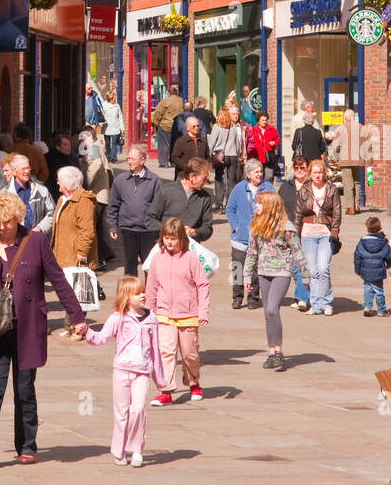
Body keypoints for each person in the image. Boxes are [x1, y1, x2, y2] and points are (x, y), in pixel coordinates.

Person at [0, 191, 87, 466]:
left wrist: (76, 315)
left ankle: (27, 444)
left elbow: (58, 280)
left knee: (24, 390)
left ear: (17, 218)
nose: (3, 226)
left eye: (8, 221)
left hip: (28, 327)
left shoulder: (36, 241)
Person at [82, 274, 165, 466]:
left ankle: (137, 449)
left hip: (142, 372)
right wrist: (86, 332)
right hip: (121, 370)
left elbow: (155, 350)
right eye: (137, 293)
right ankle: (119, 450)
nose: (142, 296)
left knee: (138, 409)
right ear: (126, 297)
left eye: (143, 292)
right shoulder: (117, 317)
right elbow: (102, 337)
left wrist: (160, 379)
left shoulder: (151, 318)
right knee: (121, 412)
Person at [145, 218, 210, 405]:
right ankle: (166, 390)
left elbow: (203, 285)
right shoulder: (157, 258)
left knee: (190, 354)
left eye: (173, 238)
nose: (169, 242)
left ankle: (193, 383)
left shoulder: (190, 258)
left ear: (181, 238)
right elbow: (152, 287)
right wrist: (149, 313)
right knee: (166, 352)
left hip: (188, 315)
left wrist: (203, 312)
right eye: (166, 238)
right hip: (165, 314)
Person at [243, 191, 310, 371]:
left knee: (273, 308)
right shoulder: (256, 227)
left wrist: (305, 275)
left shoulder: (287, 228)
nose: (256, 206)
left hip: (282, 272)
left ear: (270, 207)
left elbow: (298, 252)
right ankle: (272, 351)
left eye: (260, 203)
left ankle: (279, 351)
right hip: (263, 272)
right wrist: (246, 275)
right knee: (267, 312)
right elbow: (251, 252)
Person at [294, 159, 341, 316]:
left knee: (323, 269)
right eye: (314, 172)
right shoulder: (304, 190)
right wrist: (295, 235)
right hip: (308, 233)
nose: (317, 175)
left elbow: (337, 213)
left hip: (325, 233)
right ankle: (315, 305)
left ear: (324, 173)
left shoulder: (332, 189)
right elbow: (298, 214)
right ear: (310, 174)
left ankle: (327, 303)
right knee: (313, 271)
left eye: (320, 172)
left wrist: (335, 232)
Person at [226, 160, 274, 309]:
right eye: (256, 172)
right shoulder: (239, 189)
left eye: (260, 171)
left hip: (261, 237)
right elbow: (230, 209)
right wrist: (235, 226)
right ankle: (237, 297)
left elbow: (275, 209)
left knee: (256, 270)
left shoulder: (269, 188)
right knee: (238, 268)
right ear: (248, 174)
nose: (259, 174)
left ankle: (253, 298)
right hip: (240, 238)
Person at [106, 145, 160, 275]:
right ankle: (131, 293)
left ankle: (150, 293)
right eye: (128, 158)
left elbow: (160, 207)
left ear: (142, 160)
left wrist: (160, 230)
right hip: (128, 229)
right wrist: (113, 226)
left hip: (148, 230)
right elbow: (113, 205)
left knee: (150, 266)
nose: (129, 161)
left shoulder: (154, 180)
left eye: (132, 159)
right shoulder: (120, 180)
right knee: (129, 266)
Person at [145, 160, 214, 243]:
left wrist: (194, 232)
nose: (205, 182)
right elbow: (150, 220)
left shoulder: (205, 197)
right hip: (166, 247)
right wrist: (169, 231)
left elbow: (207, 228)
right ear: (192, 176)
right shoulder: (166, 191)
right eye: (203, 179)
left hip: (190, 249)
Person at [277, 154, 311, 310]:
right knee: (291, 265)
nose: (298, 170)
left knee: (301, 264)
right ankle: (301, 297)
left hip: (308, 230)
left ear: (308, 167)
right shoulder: (286, 186)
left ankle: (302, 297)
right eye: (296, 167)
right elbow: (278, 206)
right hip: (288, 229)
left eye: (302, 167)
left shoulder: (313, 185)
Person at [51, 163, 99, 273]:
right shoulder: (62, 199)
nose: (57, 182)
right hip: (62, 256)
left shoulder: (83, 201)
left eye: (60, 180)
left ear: (67, 183)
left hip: (75, 259)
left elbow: (87, 230)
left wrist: (82, 252)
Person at [80, 129, 115, 269]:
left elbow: (96, 165)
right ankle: (104, 254)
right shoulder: (96, 147)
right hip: (100, 194)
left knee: (93, 229)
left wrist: (85, 183)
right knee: (98, 229)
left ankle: (99, 259)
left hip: (95, 195)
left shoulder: (93, 149)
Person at [354, 215, 391, 316]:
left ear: (367, 228)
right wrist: (389, 265)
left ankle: (367, 307)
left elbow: (357, 257)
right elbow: (389, 256)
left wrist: (357, 270)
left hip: (365, 270)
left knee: (367, 289)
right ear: (380, 228)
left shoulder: (362, 242)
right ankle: (381, 309)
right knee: (379, 290)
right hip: (379, 270)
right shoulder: (383, 242)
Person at [6, 153, 55, 235]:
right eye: (23, 169)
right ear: (14, 172)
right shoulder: (5, 193)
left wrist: (40, 228)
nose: (27, 171)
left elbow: (52, 213)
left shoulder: (41, 190)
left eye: (28, 168)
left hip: (36, 239)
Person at [327, 108, 362, 214]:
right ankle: (356, 204)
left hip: (346, 159)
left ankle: (350, 207)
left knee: (347, 183)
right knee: (356, 182)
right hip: (358, 159)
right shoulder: (361, 128)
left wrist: (337, 151)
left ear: (345, 118)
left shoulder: (341, 128)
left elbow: (336, 146)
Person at [206, 107, 238, 212]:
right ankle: (230, 205)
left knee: (218, 179)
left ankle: (219, 204)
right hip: (232, 155)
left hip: (220, 156)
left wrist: (209, 155)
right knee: (231, 181)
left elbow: (212, 142)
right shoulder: (233, 127)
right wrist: (238, 154)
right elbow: (237, 143)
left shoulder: (216, 127)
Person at [151, 89, 183, 170]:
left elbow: (158, 113)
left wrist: (157, 123)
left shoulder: (165, 101)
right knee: (175, 145)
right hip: (177, 126)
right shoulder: (181, 101)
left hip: (165, 125)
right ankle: (174, 162)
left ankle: (163, 163)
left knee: (163, 145)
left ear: (169, 93)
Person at [245, 112, 281, 182]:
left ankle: (268, 191)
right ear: (258, 121)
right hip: (257, 157)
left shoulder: (272, 129)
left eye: (265, 120)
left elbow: (277, 140)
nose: (264, 122)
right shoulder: (253, 130)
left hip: (269, 158)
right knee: (258, 177)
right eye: (262, 120)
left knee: (269, 177)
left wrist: (274, 143)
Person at [44, 131, 74, 200]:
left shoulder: (68, 159)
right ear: (58, 147)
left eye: (69, 145)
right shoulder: (51, 159)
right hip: (54, 193)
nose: (68, 147)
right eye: (65, 145)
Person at [102, 88, 124, 163]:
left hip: (115, 127)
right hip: (106, 128)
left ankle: (114, 158)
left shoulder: (117, 106)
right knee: (107, 144)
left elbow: (120, 117)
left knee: (114, 143)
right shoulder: (104, 105)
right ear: (111, 98)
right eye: (114, 98)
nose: (115, 99)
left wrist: (122, 128)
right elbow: (101, 115)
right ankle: (108, 157)